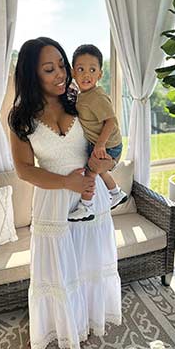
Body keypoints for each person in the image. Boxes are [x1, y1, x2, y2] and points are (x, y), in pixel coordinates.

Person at [8, 37, 122, 349]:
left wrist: (106, 164)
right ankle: (45, 331)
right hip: (53, 203)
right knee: (53, 272)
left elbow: (110, 140)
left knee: (87, 262)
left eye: (61, 65)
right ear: (32, 74)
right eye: (49, 69)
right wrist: (66, 182)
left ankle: (82, 322)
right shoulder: (20, 118)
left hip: (90, 195)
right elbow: (24, 170)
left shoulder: (79, 100)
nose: (61, 74)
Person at [67, 44, 128, 222]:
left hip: (108, 145)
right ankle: (116, 193)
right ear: (73, 72)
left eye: (92, 70)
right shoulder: (83, 94)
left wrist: (100, 144)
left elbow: (111, 121)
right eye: (81, 69)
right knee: (97, 171)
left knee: (90, 173)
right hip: (102, 144)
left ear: (100, 74)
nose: (87, 74)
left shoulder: (97, 96)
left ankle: (86, 207)